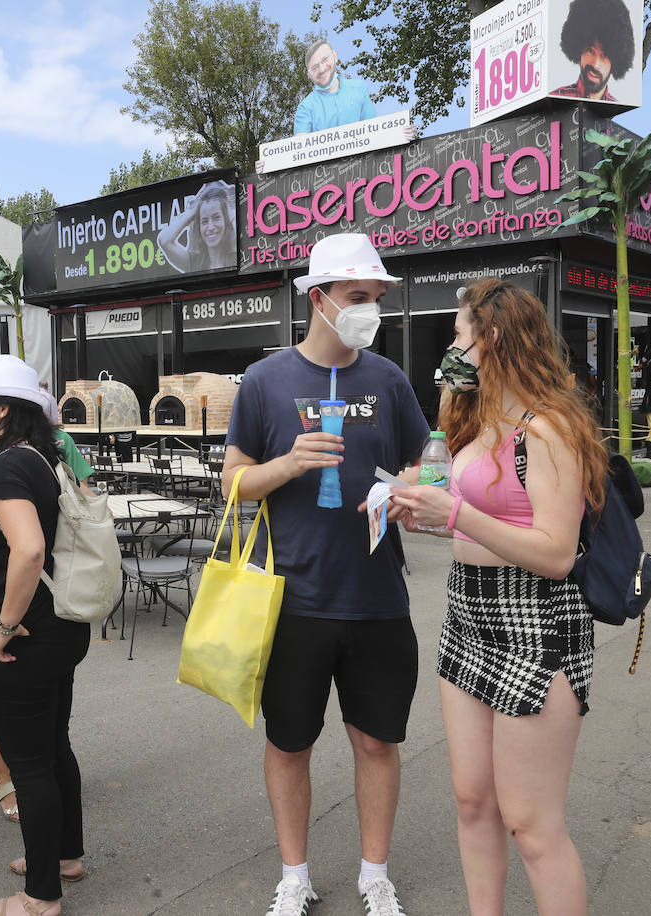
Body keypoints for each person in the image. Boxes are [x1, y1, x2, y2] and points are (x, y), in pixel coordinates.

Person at [222, 234, 429, 916]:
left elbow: (420, 463)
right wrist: (287, 464)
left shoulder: (389, 381)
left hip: (376, 597)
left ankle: (375, 874)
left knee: (376, 741)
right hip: (292, 599)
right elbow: (232, 485)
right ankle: (294, 875)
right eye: (357, 298)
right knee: (290, 743)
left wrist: (408, 491)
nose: (369, 310)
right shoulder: (266, 381)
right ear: (318, 298)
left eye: (375, 299)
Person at [390, 279, 609, 916]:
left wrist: (454, 513)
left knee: (532, 824)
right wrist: (417, 507)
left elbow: (556, 553)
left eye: (460, 337)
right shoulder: (478, 418)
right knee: (472, 800)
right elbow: (461, 503)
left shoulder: (548, 428)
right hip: (468, 613)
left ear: (494, 340)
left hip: (537, 621)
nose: (452, 349)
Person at [0, 355, 91, 916]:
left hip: (25, 636)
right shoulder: (47, 455)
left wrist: (3, 628)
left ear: (3, 410)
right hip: (61, 625)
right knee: (53, 748)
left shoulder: (8, 465)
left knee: (28, 762)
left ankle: (39, 899)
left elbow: (29, 548)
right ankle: (63, 858)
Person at [551, 0, 635, 101]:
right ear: (579, 49)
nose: (595, 64)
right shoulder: (557, 99)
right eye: (590, 51)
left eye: (605, 56)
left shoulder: (616, 112)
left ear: (616, 61)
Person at [295, 38, 375, 133]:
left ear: (335, 56)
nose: (322, 69)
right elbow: (301, 144)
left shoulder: (358, 88)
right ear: (309, 75)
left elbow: (374, 130)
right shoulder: (305, 108)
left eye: (325, 60)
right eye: (314, 67)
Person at [157, 180, 237, 273]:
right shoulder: (193, 264)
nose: (210, 227)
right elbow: (164, 240)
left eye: (216, 218)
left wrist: (231, 215)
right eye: (204, 221)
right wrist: (193, 212)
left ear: (226, 219)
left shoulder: (238, 258)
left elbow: (249, 241)